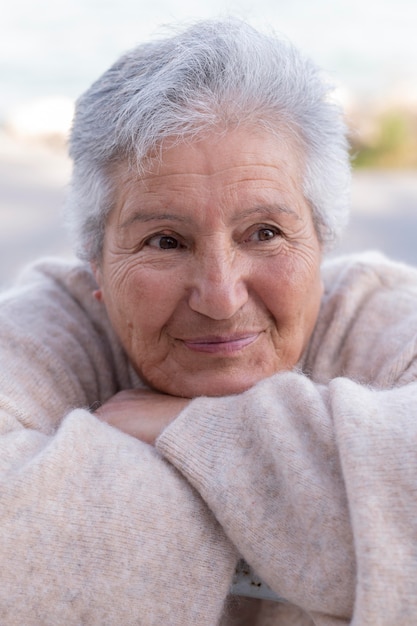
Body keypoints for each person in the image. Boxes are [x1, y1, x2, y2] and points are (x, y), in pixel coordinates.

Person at [1, 17, 417, 626]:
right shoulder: (47, 324)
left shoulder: (379, 310)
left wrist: (193, 428)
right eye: (165, 241)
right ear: (94, 260)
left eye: (266, 233)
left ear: (323, 243)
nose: (220, 297)